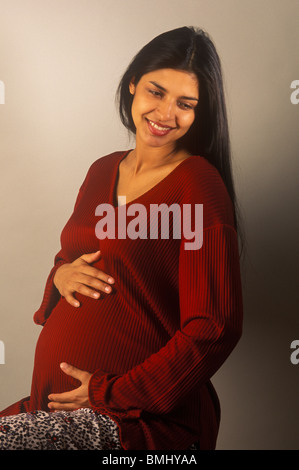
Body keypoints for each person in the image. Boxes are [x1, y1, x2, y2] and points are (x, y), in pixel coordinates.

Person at [0, 26, 243, 450]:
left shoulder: (197, 185)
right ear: (133, 83)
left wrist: (111, 393)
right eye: (156, 91)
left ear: (199, 113)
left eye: (185, 104)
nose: (166, 113)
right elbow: (73, 257)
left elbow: (216, 326)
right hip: (55, 407)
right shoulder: (101, 170)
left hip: (133, 420)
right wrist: (60, 275)